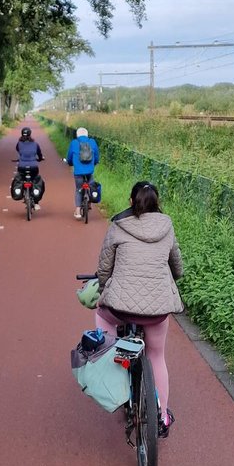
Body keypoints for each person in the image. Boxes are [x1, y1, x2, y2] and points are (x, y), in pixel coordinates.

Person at [93, 181, 184, 437]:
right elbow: (177, 266)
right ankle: (162, 416)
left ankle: (113, 359)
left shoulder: (118, 225)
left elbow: (104, 268)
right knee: (157, 355)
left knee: (102, 315)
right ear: (157, 203)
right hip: (157, 311)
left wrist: (103, 290)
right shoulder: (167, 226)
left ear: (131, 202)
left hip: (120, 308)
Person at [66, 126, 100, 218]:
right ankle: (89, 203)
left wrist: (70, 163)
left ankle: (77, 211)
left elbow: (69, 157)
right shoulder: (92, 142)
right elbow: (96, 156)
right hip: (89, 171)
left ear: (77, 135)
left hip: (78, 172)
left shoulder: (74, 143)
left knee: (78, 190)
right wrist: (95, 162)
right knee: (91, 186)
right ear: (87, 134)